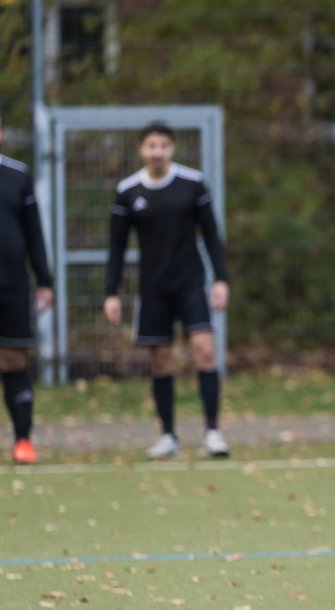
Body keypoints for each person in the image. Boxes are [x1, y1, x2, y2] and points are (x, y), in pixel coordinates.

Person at [104, 122, 231, 459]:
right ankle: (168, 437)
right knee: (161, 361)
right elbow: (116, 246)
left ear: (172, 149)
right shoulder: (128, 190)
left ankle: (213, 432)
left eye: (163, 145)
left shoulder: (192, 184)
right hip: (153, 288)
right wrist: (111, 292)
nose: (157, 151)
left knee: (205, 351)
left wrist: (220, 279)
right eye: (151, 146)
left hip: (190, 283)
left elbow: (211, 234)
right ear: (141, 150)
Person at [0, 101, 53, 464]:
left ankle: (23, 441)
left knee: (13, 361)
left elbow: (34, 232)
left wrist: (44, 279)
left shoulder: (17, 176)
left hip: (10, 285)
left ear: (2, 133)